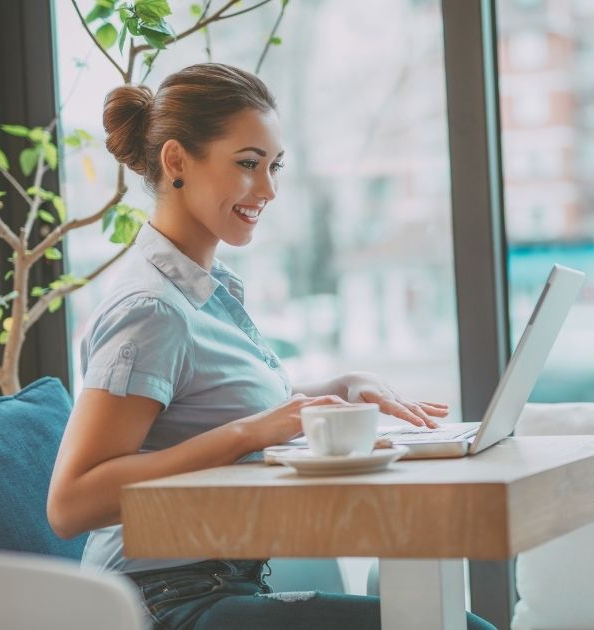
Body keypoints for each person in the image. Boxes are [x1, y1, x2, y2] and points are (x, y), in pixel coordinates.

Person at [46, 63, 496, 630]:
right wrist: (250, 433)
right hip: (163, 604)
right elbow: (72, 503)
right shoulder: (152, 308)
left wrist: (334, 389)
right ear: (178, 161)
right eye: (247, 164)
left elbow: (195, 407)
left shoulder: (201, 293)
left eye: (275, 166)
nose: (268, 189)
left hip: (213, 586)